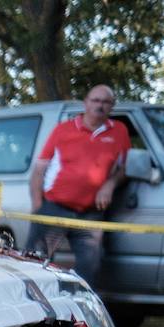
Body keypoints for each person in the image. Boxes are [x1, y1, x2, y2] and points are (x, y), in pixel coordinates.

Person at [24, 84, 127, 289]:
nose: (100, 105)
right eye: (95, 100)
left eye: (106, 102)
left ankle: (74, 314)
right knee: (34, 262)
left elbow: (123, 168)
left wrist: (110, 184)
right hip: (55, 208)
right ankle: (27, 307)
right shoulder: (64, 130)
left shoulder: (119, 132)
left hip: (90, 215)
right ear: (86, 103)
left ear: (112, 107)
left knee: (90, 268)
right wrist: (38, 208)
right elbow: (38, 171)